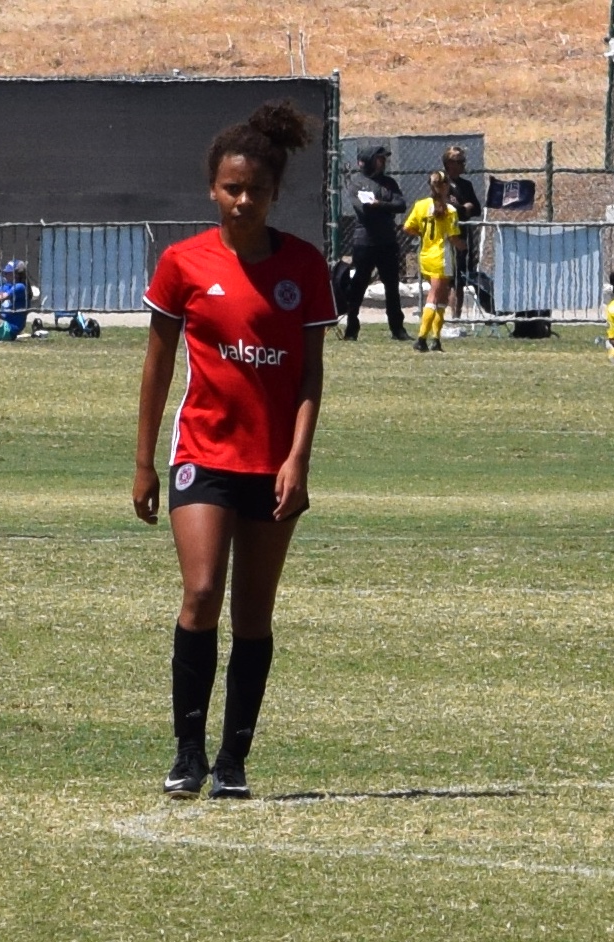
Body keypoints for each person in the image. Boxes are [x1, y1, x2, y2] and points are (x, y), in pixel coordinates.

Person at [134, 100, 332, 802]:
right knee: (200, 593)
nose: (243, 200)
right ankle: (186, 751)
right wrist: (143, 461)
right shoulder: (183, 263)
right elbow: (157, 366)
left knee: (254, 615)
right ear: (212, 188)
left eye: (256, 189)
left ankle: (234, 759)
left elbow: (310, 374)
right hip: (203, 455)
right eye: (230, 187)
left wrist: (298, 459)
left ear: (276, 192)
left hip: (274, 464)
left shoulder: (304, 265)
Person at [337, 144, 408, 342]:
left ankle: (398, 329)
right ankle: (352, 328)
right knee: (358, 285)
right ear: (368, 161)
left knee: (392, 286)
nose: (383, 162)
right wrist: (384, 208)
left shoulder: (389, 183)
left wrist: (379, 204)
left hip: (387, 241)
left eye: (384, 159)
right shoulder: (357, 183)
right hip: (365, 243)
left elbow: (401, 205)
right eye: (379, 158)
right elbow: (363, 210)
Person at [400, 171, 459, 353]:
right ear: (445, 186)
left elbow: (407, 227)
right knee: (434, 296)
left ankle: (436, 339)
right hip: (442, 256)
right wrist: (463, 246)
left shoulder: (420, 205)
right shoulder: (450, 210)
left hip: (426, 255)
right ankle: (421, 338)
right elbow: (453, 237)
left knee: (441, 297)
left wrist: (422, 234)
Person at [441, 146, 484, 326]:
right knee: (447, 279)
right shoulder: (441, 182)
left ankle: (457, 317)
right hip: (447, 236)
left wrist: (463, 207)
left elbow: (476, 208)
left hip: (463, 235)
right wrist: (462, 208)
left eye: (463, 162)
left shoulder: (466, 185)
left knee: (459, 279)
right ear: (449, 163)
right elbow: (445, 207)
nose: (462, 165)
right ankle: (443, 316)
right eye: (458, 162)